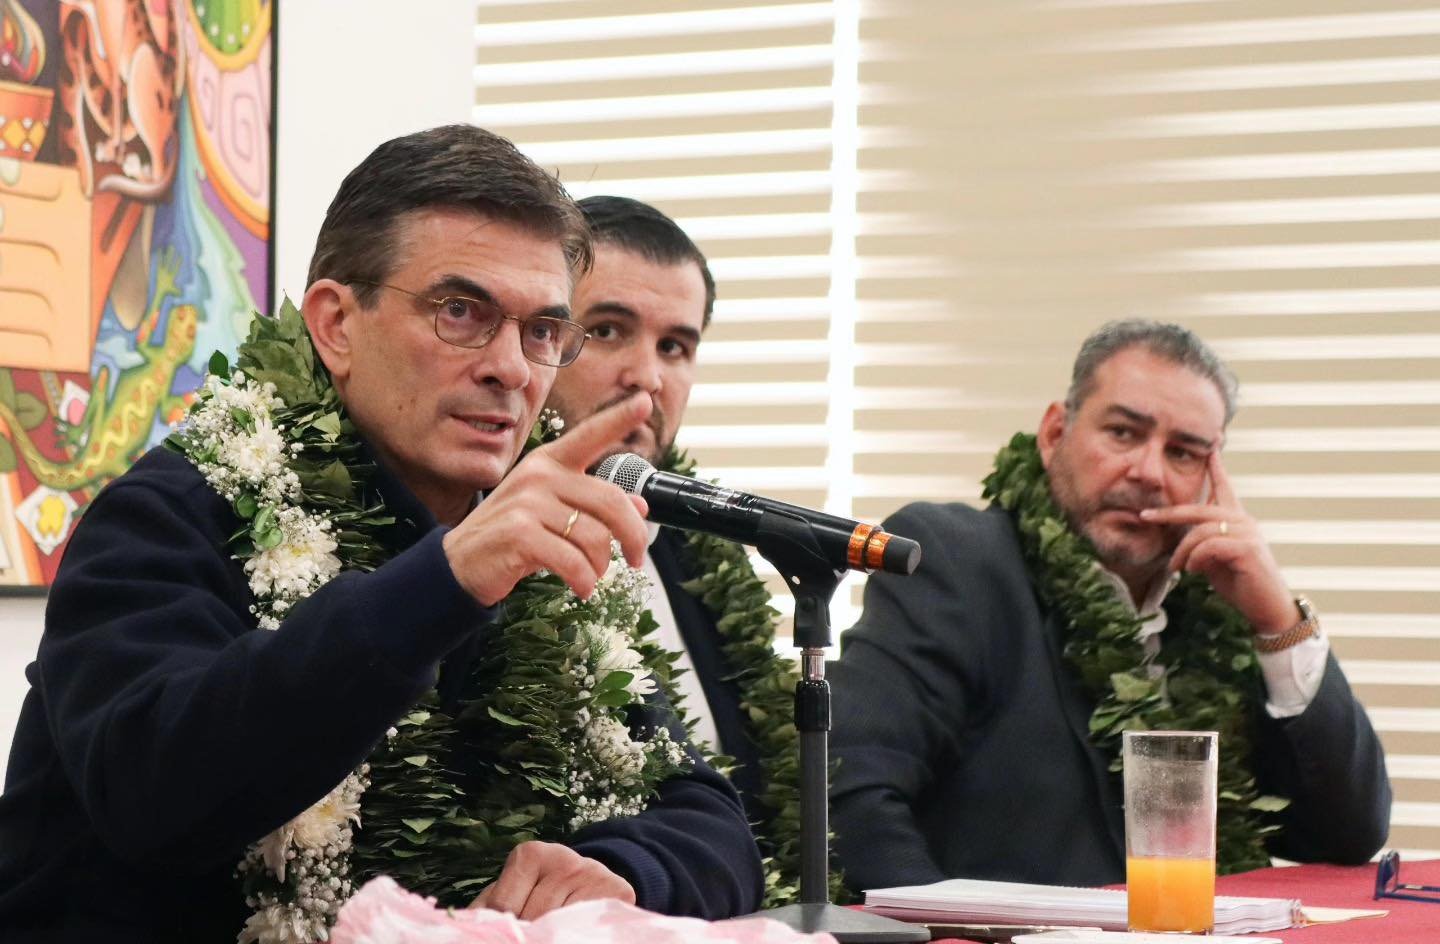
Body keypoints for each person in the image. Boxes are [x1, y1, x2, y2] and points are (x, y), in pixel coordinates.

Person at [0, 126, 762, 943]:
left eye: (542, 331)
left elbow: (711, 819)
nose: (511, 367)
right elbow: (152, 795)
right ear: (335, 323)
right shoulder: (174, 512)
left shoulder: (534, 530)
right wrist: (445, 583)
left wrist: (622, 871)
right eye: (461, 312)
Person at [829, 319, 1391, 892]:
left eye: (1183, 453)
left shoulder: (1213, 612)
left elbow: (1346, 835)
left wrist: (1278, 622)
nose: (1148, 472)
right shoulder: (958, 562)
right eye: (1123, 433)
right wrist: (948, 929)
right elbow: (844, 791)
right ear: (1055, 434)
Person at [544, 196, 810, 901]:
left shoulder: (699, 550)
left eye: (674, 347)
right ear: (541, 337)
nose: (647, 377)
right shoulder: (484, 536)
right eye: (608, 331)